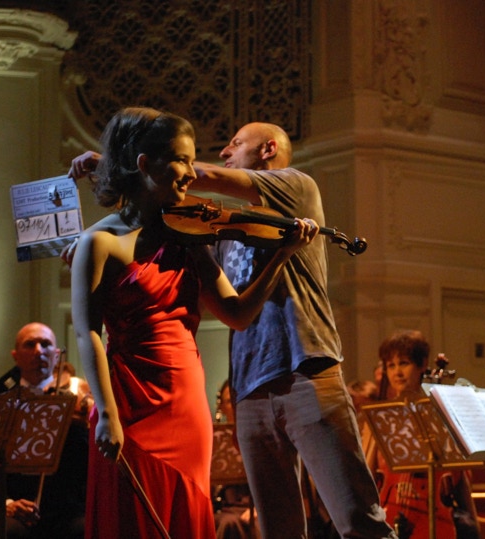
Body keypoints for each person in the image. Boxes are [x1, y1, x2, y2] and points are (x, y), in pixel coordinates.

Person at [68, 108, 317, 539]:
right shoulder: (99, 242)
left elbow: (237, 315)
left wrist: (282, 256)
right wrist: (106, 413)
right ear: (145, 164)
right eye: (181, 160)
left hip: (185, 402)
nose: (190, 173)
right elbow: (87, 331)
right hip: (127, 402)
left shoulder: (188, 238)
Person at [183, 121, 397, 539]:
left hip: (307, 374)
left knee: (359, 523)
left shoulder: (296, 185)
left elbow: (204, 174)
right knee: (278, 531)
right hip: (249, 390)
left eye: (236, 143)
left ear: (267, 149)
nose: (225, 151)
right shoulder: (225, 231)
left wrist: (129, 165)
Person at [366, 329, 480, 539]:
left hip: (431, 511)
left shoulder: (439, 413)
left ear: (422, 365)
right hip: (389, 506)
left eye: (404, 363)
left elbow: (459, 478)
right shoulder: (383, 415)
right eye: (391, 365)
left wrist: (475, 523)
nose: (397, 372)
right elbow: (368, 473)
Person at [0, 322, 92, 539]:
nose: (39, 351)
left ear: (56, 355)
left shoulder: (77, 396)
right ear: (16, 356)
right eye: (30, 344)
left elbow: (86, 462)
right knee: (7, 531)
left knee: (84, 529)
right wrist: (6, 503)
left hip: (65, 506)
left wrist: (83, 424)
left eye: (45, 344)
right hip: (14, 502)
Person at [213, 380, 257, 539]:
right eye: (229, 401)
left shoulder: (257, 433)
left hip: (255, 505)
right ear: (222, 407)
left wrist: (258, 509)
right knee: (226, 522)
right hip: (227, 508)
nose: (234, 404)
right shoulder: (217, 439)